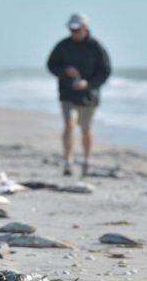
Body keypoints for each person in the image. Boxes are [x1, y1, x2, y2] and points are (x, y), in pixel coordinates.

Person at [47, 13, 111, 176]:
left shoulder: (96, 47)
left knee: (85, 129)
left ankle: (87, 160)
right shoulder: (63, 46)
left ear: (85, 28)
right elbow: (51, 65)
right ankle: (68, 161)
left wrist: (88, 84)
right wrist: (64, 71)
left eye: (77, 29)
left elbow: (105, 71)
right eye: (71, 29)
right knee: (69, 124)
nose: (74, 32)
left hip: (89, 96)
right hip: (67, 93)